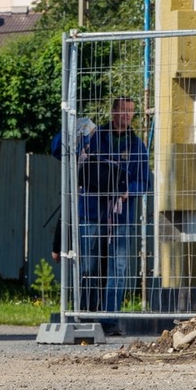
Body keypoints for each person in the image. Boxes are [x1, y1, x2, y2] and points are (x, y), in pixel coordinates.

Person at [53, 98, 151, 336]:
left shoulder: (136, 145)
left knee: (119, 267)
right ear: (113, 111)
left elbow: (144, 181)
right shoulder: (94, 136)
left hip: (121, 214)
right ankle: (85, 314)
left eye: (131, 111)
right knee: (88, 265)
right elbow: (58, 151)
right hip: (91, 210)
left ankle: (110, 320)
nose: (126, 115)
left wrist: (129, 192)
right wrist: (71, 129)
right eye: (123, 110)